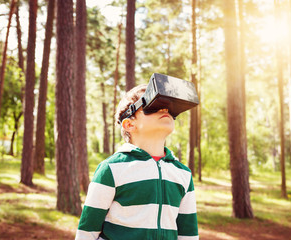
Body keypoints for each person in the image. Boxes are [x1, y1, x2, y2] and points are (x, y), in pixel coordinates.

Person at [75, 84, 199, 240]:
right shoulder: (111, 169)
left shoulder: (183, 174)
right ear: (129, 124)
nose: (164, 110)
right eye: (153, 105)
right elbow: (87, 231)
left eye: (168, 108)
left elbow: (188, 234)